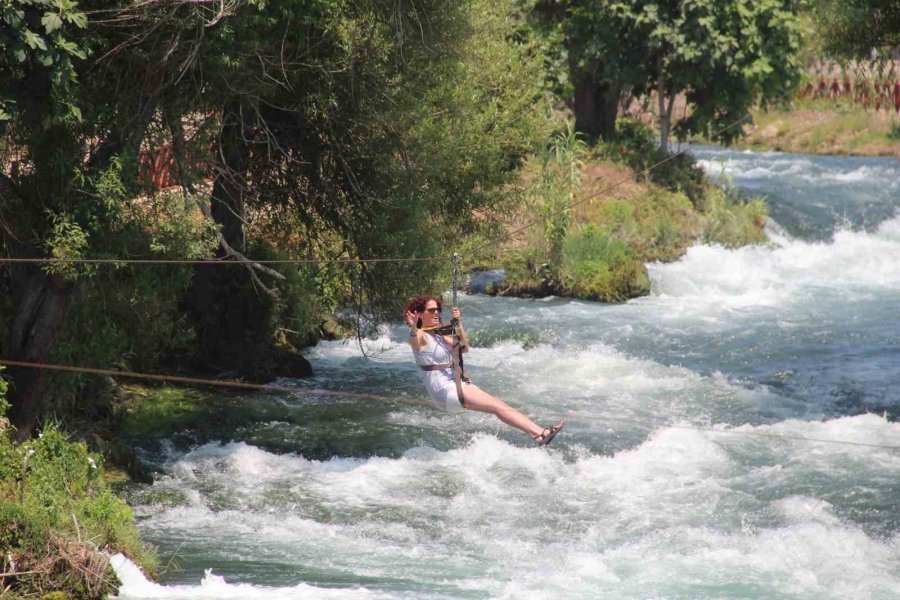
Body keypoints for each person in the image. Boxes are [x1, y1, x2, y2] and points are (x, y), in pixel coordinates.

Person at [404, 295, 565, 446]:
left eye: (438, 309)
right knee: (497, 406)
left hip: (454, 386)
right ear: (418, 314)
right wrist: (413, 326)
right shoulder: (420, 336)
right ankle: (539, 434)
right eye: (431, 310)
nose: (437, 312)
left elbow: (464, 348)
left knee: (498, 405)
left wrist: (458, 324)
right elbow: (414, 339)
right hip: (445, 390)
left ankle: (538, 434)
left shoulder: (439, 335)